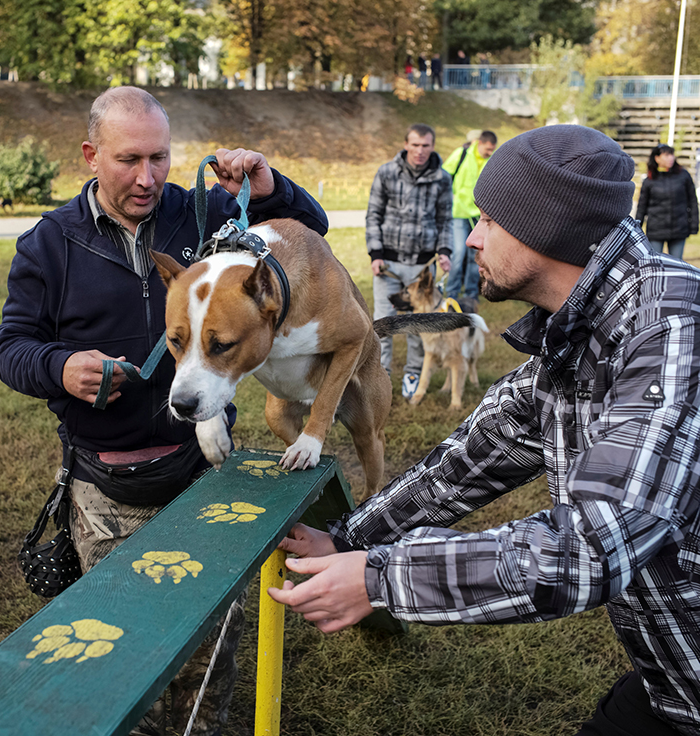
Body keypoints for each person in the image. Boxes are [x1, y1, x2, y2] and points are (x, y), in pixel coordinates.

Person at [269, 125, 700, 736]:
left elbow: (592, 548)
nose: (471, 239)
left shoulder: (672, 326)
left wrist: (380, 577)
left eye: (488, 220)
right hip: (674, 681)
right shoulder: (583, 327)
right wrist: (348, 540)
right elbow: (475, 456)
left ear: (542, 228)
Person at [0, 86, 327, 736]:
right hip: (106, 490)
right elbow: (11, 348)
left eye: (159, 158)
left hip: (205, 479)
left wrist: (268, 187)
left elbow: (308, 236)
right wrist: (60, 368)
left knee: (208, 655)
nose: (147, 177)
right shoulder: (50, 244)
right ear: (91, 155)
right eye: (128, 159)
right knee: (127, 655)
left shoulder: (199, 217)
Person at [366, 123, 452, 400]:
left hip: (421, 267)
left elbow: (445, 220)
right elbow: (373, 215)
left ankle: (414, 372)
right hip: (388, 265)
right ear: (406, 145)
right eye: (415, 145)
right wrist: (375, 254)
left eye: (425, 145)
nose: (420, 151)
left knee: (418, 324)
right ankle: (380, 375)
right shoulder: (386, 172)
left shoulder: (442, 178)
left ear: (432, 146)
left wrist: (445, 251)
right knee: (383, 323)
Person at [439, 129, 497, 308]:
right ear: (479, 143)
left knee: (476, 256)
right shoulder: (462, 154)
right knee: (458, 254)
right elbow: (443, 176)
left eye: (492, 150)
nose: (490, 152)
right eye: (487, 149)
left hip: (478, 216)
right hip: (457, 214)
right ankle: (453, 293)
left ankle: (471, 294)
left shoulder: (491, 162)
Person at [635, 143, 698, 260]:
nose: (671, 158)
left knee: (677, 264)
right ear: (657, 158)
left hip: (679, 229)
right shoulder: (649, 180)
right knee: (654, 264)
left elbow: (692, 201)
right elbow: (642, 206)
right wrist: (637, 227)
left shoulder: (683, 176)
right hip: (656, 230)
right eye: (666, 155)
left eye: (672, 155)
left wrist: (694, 224)